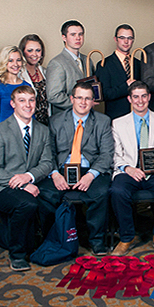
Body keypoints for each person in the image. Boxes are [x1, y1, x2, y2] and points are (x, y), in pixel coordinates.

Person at [0, 86, 54, 271]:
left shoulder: (43, 130)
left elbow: (47, 162)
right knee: (28, 205)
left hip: (28, 182)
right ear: (13, 104)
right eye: (22, 100)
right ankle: (17, 255)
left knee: (46, 205)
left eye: (31, 100)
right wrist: (22, 184)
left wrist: (28, 177)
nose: (28, 105)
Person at [36, 82, 114, 257]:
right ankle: (52, 238)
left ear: (94, 101)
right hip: (61, 169)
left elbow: (106, 154)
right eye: (79, 98)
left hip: (90, 168)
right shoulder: (55, 121)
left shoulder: (103, 121)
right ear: (72, 99)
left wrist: (91, 176)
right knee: (45, 193)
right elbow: (48, 152)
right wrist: (54, 174)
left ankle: (97, 241)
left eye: (87, 98)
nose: (83, 102)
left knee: (100, 192)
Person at [110, 81, 154, 255]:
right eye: (136, 97)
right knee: (117, 191)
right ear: (129, 99)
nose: (140, 101)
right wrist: (127, 168)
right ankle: (127, 237)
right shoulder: (118, 123)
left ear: (149, 97)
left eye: (143, 96)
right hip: (129, 170)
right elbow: (115, 155)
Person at [46, 20, 94, 113]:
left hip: (88, 117)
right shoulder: (57, 63)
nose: (78, 38)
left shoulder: (87, 60)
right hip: (66, 118)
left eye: (80, 34)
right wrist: (81, 104)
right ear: (64, 37)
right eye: (73, 34)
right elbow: (54, 96)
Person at [95, 23, 141, 121]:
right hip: (116, 118)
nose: (126, 41)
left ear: (133, 40)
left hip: (138, 117)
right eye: (122, 38)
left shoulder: (139, 64)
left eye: (129, 38)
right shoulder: (104, 64)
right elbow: (105, 94)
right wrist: (126, 86)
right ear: (115, 39)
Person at [0, 46, 31, 128]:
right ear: (4, 63)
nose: (15, 64)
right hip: (4, 133)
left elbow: (30, 114)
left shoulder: (26, 85)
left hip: (23, 133)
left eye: (18, 60)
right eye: (10, 61)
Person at [18, 33, 50, 126]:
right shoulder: (19, 73)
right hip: (28, 122)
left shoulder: (45, 71)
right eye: (30, 50)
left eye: (38, 50)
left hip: (47, 122)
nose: (34, 54)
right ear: (23, 52)